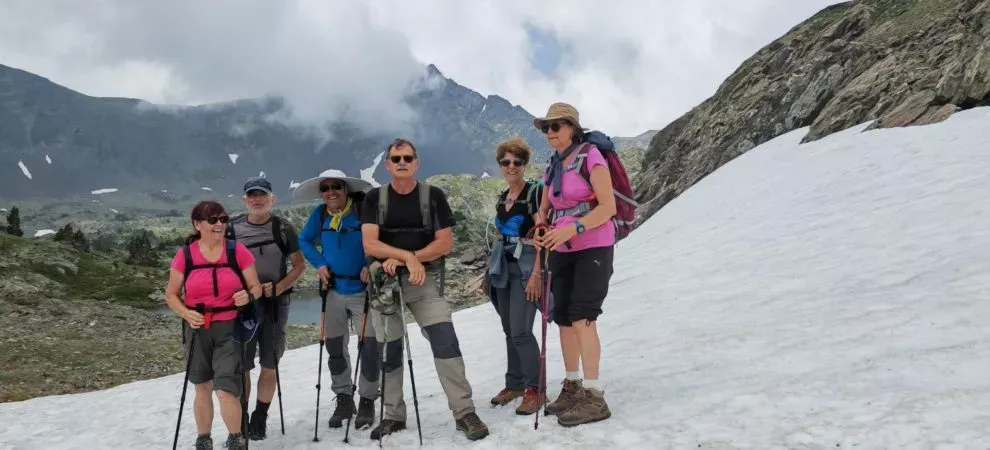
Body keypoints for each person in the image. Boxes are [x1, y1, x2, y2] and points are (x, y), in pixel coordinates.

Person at [360, 138, 489, 441]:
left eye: (407, 157)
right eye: (395, 158)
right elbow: (369, 244)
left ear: (416, 163)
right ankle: (393, 415)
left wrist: (412, 260)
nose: (401, 162)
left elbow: (445, 242)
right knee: (390, 350)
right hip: (386, 283)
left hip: (424, 279)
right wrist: (406, 257)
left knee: (445, 341)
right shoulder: (373, 199)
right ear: (387, 164)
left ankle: (464, 412)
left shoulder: (433, 196)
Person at [533, 102, 617, 427]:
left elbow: (607, 206)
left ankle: (594, 397)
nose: (550, 133)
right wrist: (542, 226)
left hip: (593, 245)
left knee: (583, 315)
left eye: (556, 126)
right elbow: (543, 210)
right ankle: (572, 385)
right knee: (564, 318)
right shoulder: (552, 166)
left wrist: (575, 227)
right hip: (561, 247)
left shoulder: (591, 157)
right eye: (546, 128)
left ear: (572, 127)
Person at [164, 200, 264, 450]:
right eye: (213, 220)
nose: (219, 224)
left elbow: (256, 287)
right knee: (202, 386)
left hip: (230, 326)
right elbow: (171, 294)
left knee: (226, 388)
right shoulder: (185, 255)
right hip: (197, 328)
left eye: (223, 219)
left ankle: (235, 440)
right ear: (197, 224)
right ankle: (204, 439)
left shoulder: (237, 251)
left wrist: (249, 296)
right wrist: (186, 314)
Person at [296, 169, 380, 430]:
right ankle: (344, 398)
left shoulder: (362, 210)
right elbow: (305, 240)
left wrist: (372, 263)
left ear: (346, 189)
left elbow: (380, 239)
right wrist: (319, 264)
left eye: (336, 186)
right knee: (335, 348)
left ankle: (367, 399)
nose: (330, 192)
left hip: (362, 290)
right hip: (332, 290)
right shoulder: (320, 214)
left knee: (369, 348)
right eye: (325, 188)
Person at [227, 176, 306, 440]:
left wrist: (281, 287)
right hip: (245, 306)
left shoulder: (283, 228)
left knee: (270, 363)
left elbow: (299, 265)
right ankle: (241, 418)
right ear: (245, 200)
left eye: (262, 195)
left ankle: (260, 416)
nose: (257, 200)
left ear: (272, 198)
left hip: (274, 303)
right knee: (243, 364)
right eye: (252, 195)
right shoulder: (232, 228)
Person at [484, 138, 547, 415]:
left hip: (526, 269)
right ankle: (515, 384)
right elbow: (500, 236)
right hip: (503, 269)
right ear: (500, 165)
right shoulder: (503, 196)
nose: (511, 167)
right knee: (510, 331)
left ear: (525, 164)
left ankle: (537, 389)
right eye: (506, 162)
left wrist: (537, 275)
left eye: (517, 162)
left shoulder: (535, 193)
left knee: (521, 330)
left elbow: (542, 237)